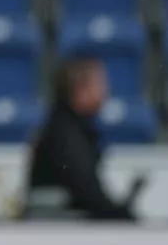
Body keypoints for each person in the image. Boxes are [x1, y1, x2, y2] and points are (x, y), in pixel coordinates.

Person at [22, 55, 143, 222]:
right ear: (80, 89)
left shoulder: (70, 127)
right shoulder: (65, 135)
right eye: (100, 84)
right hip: (57, 230)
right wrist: (119, 214)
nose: (106, 91)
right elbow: (86, 192)